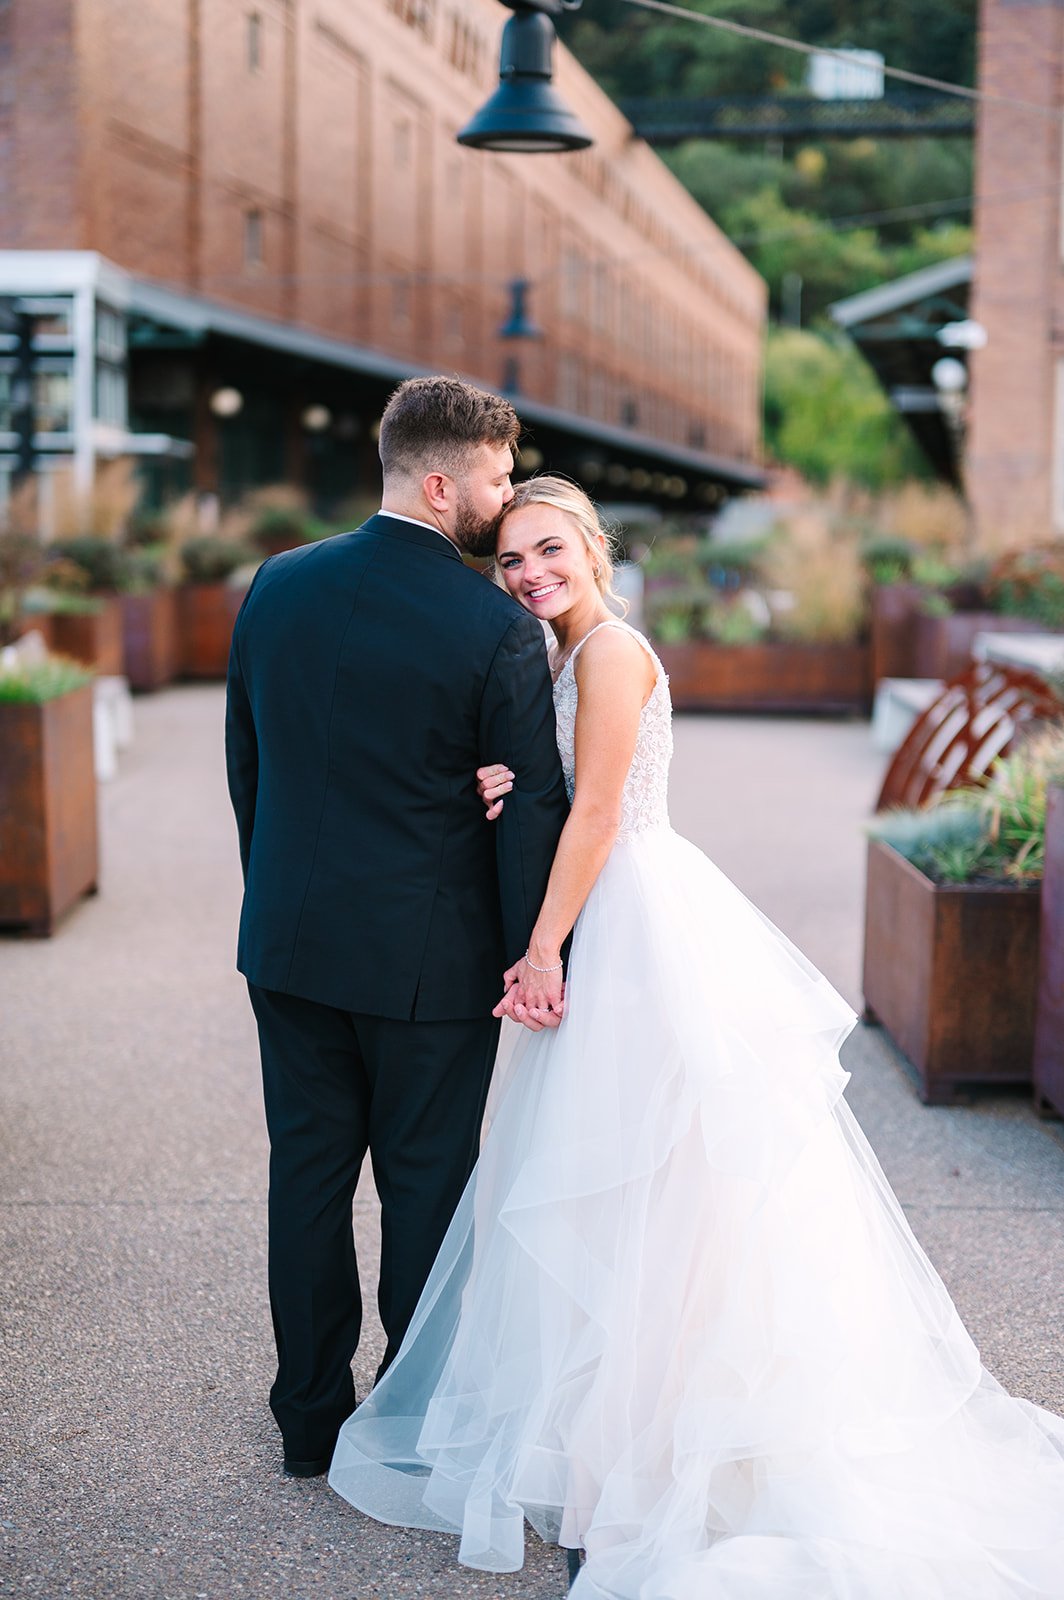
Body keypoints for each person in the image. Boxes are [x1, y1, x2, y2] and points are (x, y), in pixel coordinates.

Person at [329, 475, 1064, 1598]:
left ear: (588, 543)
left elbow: (595, 810)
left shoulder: (612, 652)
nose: (527, 573)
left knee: (660, 1199)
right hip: (609, 919)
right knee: (615, 1200)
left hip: (638, 931)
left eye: (545, 549)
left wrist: (537, 950)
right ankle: (606, 1441)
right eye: (509, 561)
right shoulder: (553, 655)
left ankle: (642, 1454)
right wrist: (506, 781)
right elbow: (557, 788)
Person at [225, 378, 569, 1479]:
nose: (503, 493)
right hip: (428, 961)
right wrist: (529, 950)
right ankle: (412, 1422)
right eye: (494, 475)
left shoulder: (276, 586)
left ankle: (308, 1419)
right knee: (425, 1186)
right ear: (438, 481)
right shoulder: (492, 626)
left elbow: (250, 769)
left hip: (287, 939)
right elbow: (530, 816)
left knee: (308, 1176)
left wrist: (276, 895)